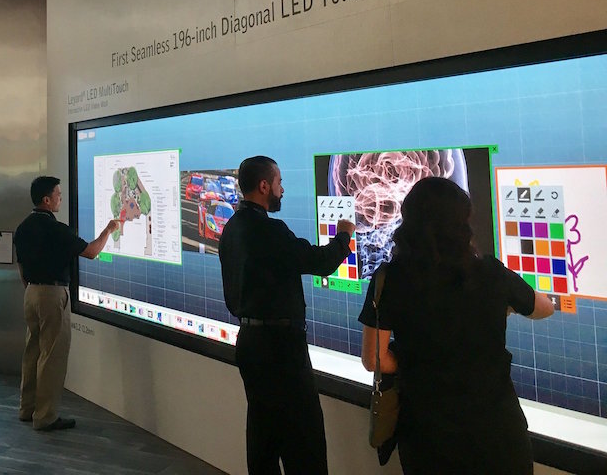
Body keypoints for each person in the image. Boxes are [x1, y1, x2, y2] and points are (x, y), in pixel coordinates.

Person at [359, 176, 555, 475]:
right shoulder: (490, 272)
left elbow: (374, 359)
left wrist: (414, 361)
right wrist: (505, 306)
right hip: (497, 431)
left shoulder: (391, 279)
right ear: (462, 223)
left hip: (428, 435)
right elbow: (543, 308)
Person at [219, 156, 355, 475]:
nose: (282, 189)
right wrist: (344, 236)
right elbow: (320, 262)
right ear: (264, 186)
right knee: (303, 441)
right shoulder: (269, 230)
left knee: (263, 436)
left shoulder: (232, 227)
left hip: (250, 343)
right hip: (279, 350)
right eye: (279, 182)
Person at [13, 175, 119, 431]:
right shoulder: (57, 229)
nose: (61, 198)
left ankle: (27, 409)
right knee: (52, 356)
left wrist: (32, 288)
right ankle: (45, 416)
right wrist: (109, 230)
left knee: (33, 351)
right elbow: (91, 252)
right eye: (58, 195)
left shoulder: (23, 227)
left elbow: (21, 265)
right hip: (52, 294)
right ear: (47, 200)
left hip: (30, 292)